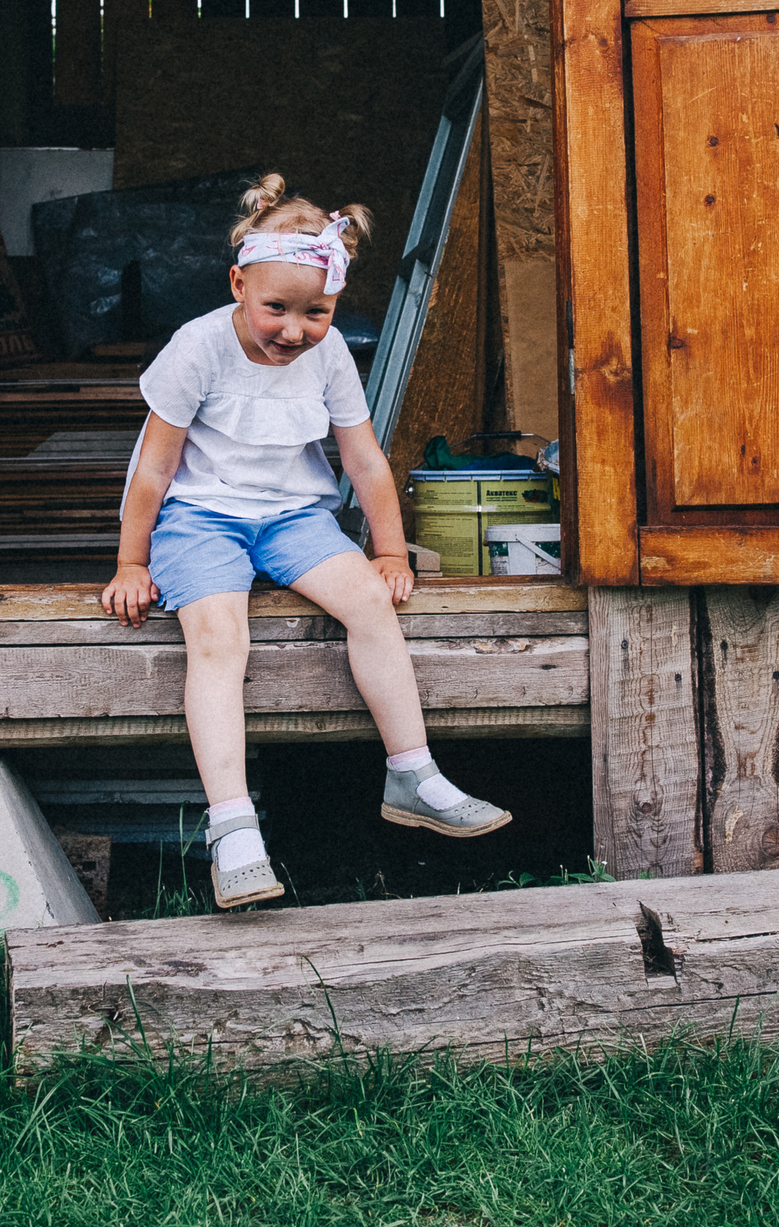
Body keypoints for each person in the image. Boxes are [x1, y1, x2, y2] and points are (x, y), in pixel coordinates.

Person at [100, 174, 512, 910]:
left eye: (316, 312)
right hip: (201, 516)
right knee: (219, 638)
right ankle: (233, 829)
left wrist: (389, 551)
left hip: (293, 518)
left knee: (371, 604)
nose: (294, 330)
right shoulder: (198, 347)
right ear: (239, 285)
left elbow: (364, 460)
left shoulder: (329, 355)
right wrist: (132, 562)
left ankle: (412, 774)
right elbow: (154, 468)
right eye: (277, 310)